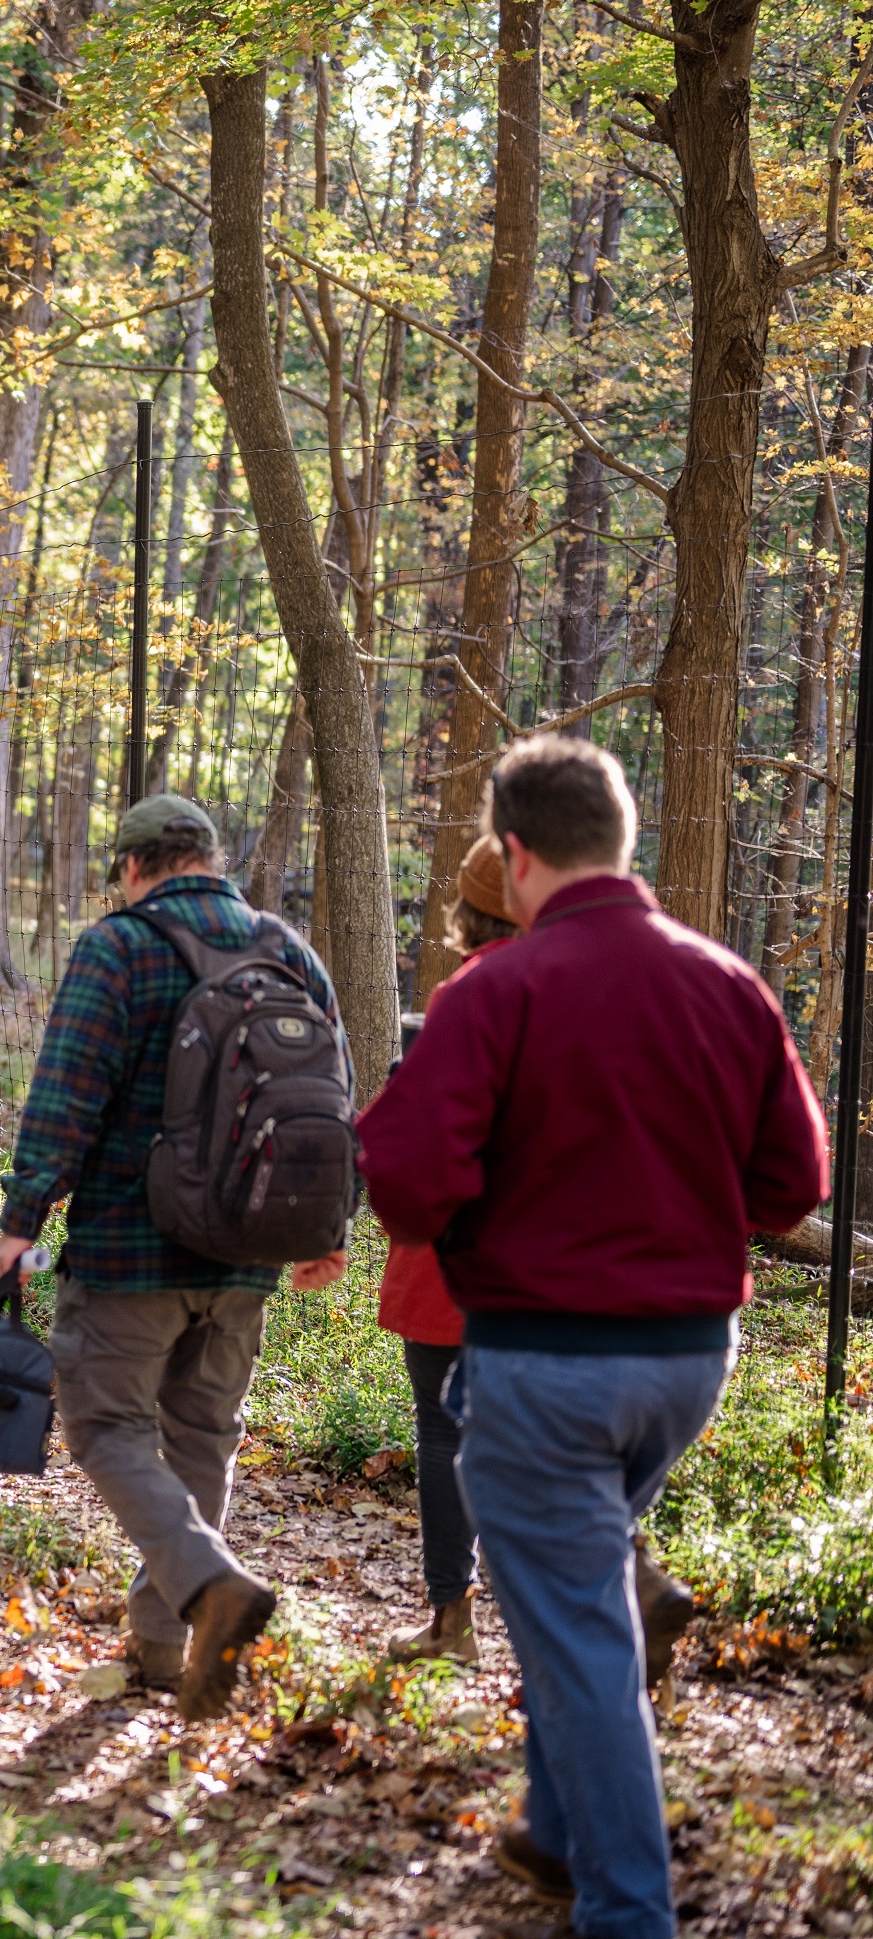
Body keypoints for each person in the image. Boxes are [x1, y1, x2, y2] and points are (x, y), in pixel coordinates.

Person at [358, 735, 826, 1939]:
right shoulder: (726, 980)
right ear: (622, 840)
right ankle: (557, 1833)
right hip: (690, 1359)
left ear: (514, 856)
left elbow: (406, 1178)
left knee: (581, 1627)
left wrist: (487, 1213)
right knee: (570, 1590)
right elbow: (795, 1180)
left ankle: (628, 1908)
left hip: (547, 1357)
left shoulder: (498, 989)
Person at [0, 793, 347, 1721]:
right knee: (202, 1439)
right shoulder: (288, 951)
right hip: (248, 1251)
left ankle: (210, 1583)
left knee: (106, 1430)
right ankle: (161, 1650)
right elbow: (328, 1101)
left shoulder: (119, 946)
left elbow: (64, 1091)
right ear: (212, 860)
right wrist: (329, 1227)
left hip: (127, 1250)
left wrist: (22, 1220)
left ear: (136, 867)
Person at [379, 833, 515, 1664]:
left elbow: (407, 1152)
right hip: (549, 1276)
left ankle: (450, 1621)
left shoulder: (457, 1002)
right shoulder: (573, 998)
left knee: (444, 1436)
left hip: (447, 1269)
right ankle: (612, 1613)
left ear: (464, 916)